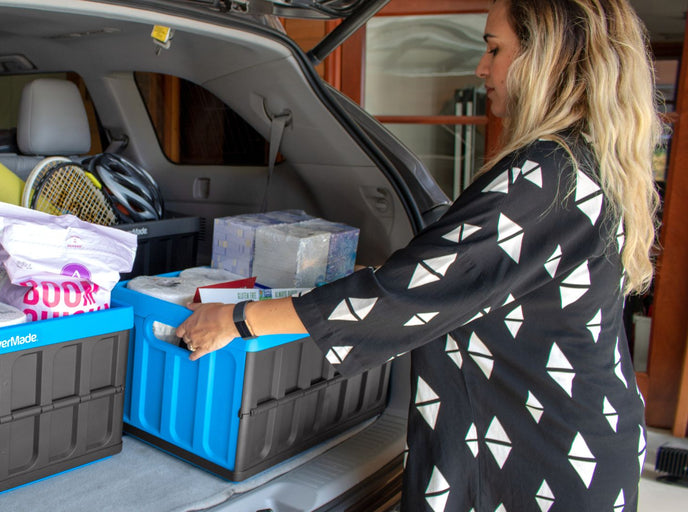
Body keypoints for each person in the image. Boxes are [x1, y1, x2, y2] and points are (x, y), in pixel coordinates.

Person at [175, 0, 661, 510]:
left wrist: (237, 320)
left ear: (549, 56)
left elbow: (410, 294)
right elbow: (462, 275)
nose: (481, 67)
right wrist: (377, 274)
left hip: (542, 456)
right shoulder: (580, 162)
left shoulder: (544, 176)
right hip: (574, 433)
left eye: (494, 48)